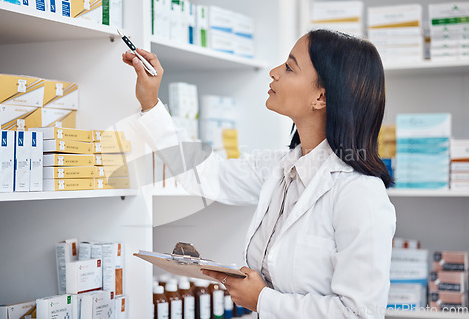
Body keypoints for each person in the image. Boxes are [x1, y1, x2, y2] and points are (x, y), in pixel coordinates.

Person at [122, 29, 396, 318]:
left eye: (290, 67)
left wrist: (262, 300)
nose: (275, 72)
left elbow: (358, 313)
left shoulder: (359, 193)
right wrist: (151, 104)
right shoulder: (280, 168)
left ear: (321, 96)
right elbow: (205, 173)